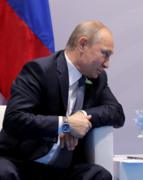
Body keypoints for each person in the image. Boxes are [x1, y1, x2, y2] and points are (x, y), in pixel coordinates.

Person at [0, 20, 125, 180]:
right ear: (83, 44)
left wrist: (80, 117)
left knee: (100, 176)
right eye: (104, 54)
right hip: (21, 162)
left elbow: (116, 113)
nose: (107, 64)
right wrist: (65, 125)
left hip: (61, 170)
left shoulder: (97, 78)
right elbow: (14, 119)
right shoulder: (39, 71)